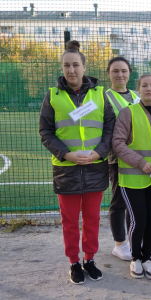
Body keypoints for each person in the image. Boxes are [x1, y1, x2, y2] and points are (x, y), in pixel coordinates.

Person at [39, 40, 115, 285]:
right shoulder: (52, 96)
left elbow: (110, 129)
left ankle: (89, 259)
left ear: (84, 67)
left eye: (75, 65)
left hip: (95, 168)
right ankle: (74, 261)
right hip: (66, 170)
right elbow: (46, 131)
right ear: (62, 68)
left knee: (92, 219)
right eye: (66, 66)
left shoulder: (100, 94)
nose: (71, 70)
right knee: (70, 221)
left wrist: (98, 153)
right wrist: (67, 155)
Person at [112, 73, 151, 280]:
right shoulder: (128, 113)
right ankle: (135, 259)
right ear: (138, 89)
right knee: (138, 220)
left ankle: (147, 258)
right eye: (145, 85)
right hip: (132, 179)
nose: (149, 89)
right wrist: (140, 162)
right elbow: (117, 143)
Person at [106, 57, 140, 261]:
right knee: (119, 201)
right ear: (109, 73)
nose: (120, 75)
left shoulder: (136, 96)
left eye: (124, 71)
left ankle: (132, 239)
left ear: (129, 73)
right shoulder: (104, 96)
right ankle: (119, 244)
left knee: (134, 202)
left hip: (137, 158)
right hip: (117, 158)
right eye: (115, 71)